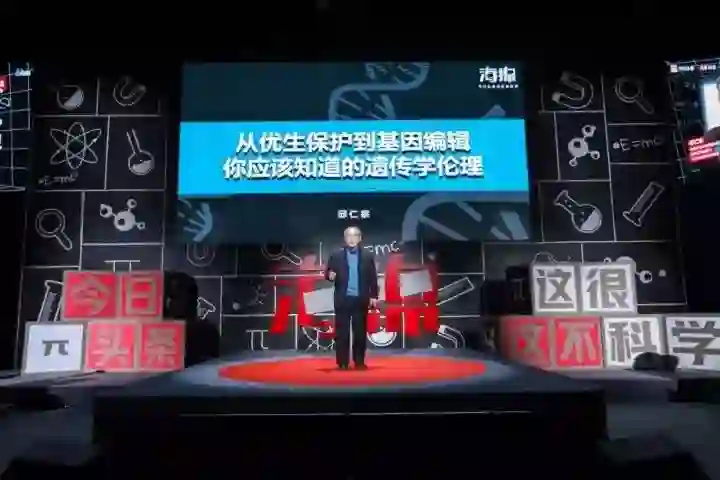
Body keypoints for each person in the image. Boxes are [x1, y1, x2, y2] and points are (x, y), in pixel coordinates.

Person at [325, 226, 379, 370]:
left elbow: (373, 277)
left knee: (360, 332)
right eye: (349, 235)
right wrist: (330, 276)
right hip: (342, 299)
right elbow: (328, 273)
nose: (352, 238)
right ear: (345, 238)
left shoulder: (367, 255)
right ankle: (342, 362)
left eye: (355, 235)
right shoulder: (336, 255)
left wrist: (374, 295)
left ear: (360, 238)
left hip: (360, 299)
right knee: (342, 333)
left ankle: (359, 361)